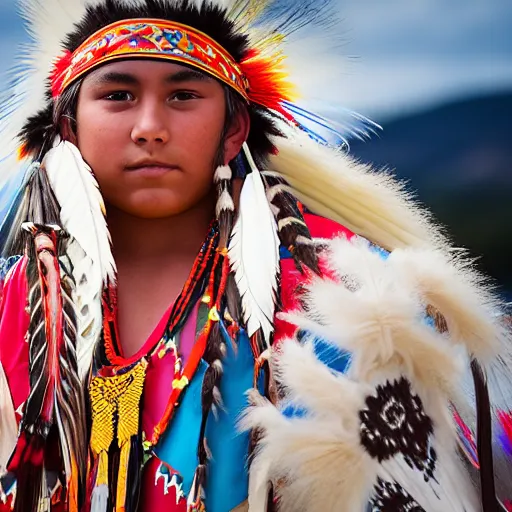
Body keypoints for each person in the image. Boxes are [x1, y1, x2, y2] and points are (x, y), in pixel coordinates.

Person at [0, 0, 510, 511]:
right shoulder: (18, 300)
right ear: (67, 126)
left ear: (234, 129)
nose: (149, 127)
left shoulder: (346, 302)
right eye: (117, 95)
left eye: (182, 95)